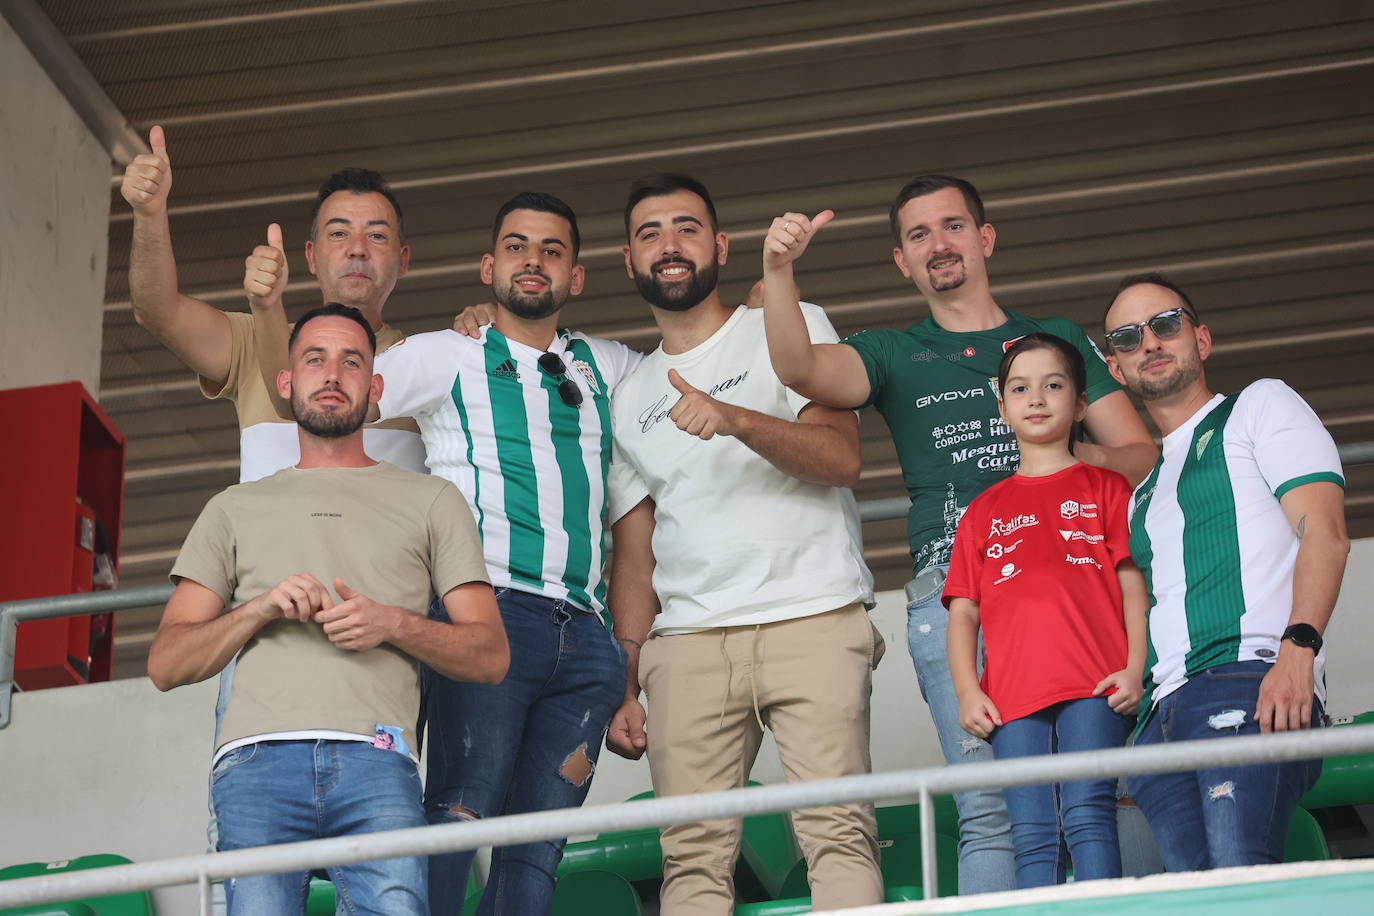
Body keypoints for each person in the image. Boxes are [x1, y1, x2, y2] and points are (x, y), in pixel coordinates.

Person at [755, 174, 1157, 893]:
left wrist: (1060, 457)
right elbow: (798, 367)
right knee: (991, 810)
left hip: (1077, 582)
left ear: (985, 238)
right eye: (918, 235)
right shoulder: (890, 352)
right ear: (901, 263)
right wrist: (778, 271)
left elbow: (1140, 456)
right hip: (958, 590)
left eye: (952, 226)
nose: (938, 244)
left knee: (1104, 792)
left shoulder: (1056, 341)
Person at [253, 192, 642, 915]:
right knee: (456, 822)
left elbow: (693, 367)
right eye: (518, 247)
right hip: (489, 614)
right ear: (489, 266)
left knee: (538, 851)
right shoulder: (445, 352)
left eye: (553, 249)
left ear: (578, 277)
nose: (534, 261)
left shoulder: (608, 365)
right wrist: (273, 311)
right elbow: (323, 396)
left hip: (588, 641)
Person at [146, 304, 508, 915]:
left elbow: (491, 655)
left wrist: (390, 622)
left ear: (377, 390)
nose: (332, 374)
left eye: (352, 361)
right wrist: (259, 609)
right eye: (314, 359)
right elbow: (165, 663)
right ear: (286, 383)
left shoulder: (432, 500)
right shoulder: (233, 507)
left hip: (379, 755)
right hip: (255, 758)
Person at [606, 173, 882, 915]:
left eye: (687, 227)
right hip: (689, 641)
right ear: (629, 262)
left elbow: (841, 459)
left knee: (838, 835)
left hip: (812, 615)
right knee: (689, 861)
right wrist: (624, 679)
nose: (670, 244)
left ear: (721, 246)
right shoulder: (629, 397)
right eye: (649, 232)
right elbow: (636, 556)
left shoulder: (790, 322)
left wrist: (736, 419)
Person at [1102, 273, 1349, 870]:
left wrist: (1299, 652)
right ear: (1116, 370)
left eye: (1166, 324)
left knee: (1243, 878)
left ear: (1201, 339)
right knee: (1203, 899)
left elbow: (1327, 533)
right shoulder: (1143, 494)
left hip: (1248, 679)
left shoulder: (1259, 405)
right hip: (1163, 718)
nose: (1151, 344)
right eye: (1128, 338)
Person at [943, 333, 1148, 888]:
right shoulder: (983, 511)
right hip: (1012, 697)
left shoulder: (1108, 488)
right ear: (1002, 404)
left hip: (1097, 684)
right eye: (1020, 388)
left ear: (1080, 404)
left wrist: (1135, 667)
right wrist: (967, 690)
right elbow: (963, 614)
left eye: (1053, 385)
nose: (1036, 399)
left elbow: (1133, 585)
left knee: (1087, 813)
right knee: (1032, 832)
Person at [121, 127, 427, 481]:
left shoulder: (430, 362)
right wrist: (149, 214)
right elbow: (156, 310)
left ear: (403, 260)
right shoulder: (253, 341)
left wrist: (483, 322)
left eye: (376, 235)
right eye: (339, 233)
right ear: (311, 257)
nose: (357, 248)